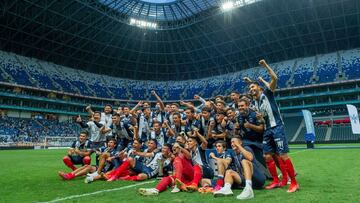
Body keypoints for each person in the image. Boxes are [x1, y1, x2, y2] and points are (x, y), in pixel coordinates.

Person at [249, 59, 299, 193]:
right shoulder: (256, 102)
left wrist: (265, 66)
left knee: (283, 155)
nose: (251, 89)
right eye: (249, 88)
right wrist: (260, 118)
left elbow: (274, 78)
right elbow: (262, 119)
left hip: (277, 127)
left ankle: (294, 183)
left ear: (259, 87)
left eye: (253, 87)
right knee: (267, 156)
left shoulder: (267, 93)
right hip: (267, 130)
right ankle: (277, 181)